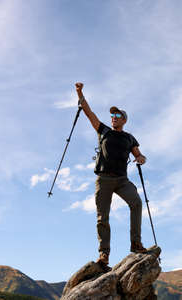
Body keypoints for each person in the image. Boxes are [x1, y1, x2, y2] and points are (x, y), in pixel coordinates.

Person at [75, 82, 147, 267]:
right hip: (104, 178)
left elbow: (138, 154)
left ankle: (136, 244)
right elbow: (89, 114)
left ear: (124, 120)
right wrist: (80, 94)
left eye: (118, 115)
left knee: (136, 203)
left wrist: (140, 158)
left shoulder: (129, 137)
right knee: (102, 217)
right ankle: (104, 254)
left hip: (122, 180)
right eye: (113, 115)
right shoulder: (104, 130)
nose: (114, 117)